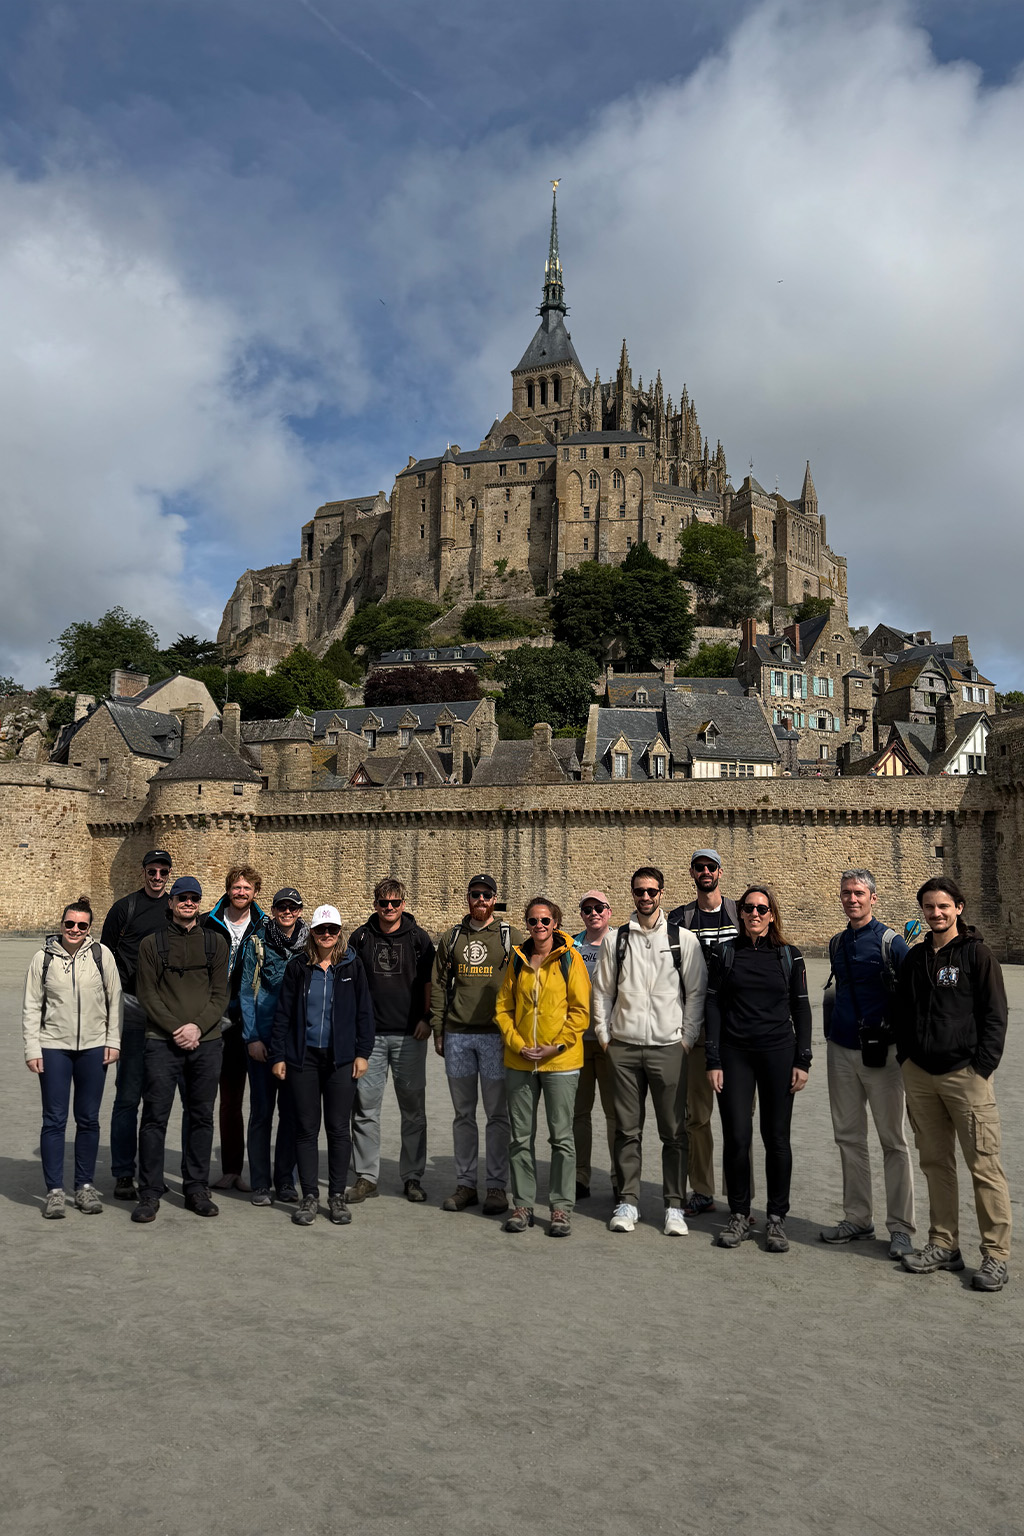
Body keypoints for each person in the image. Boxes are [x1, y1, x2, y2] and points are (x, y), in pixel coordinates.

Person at [895, 877, 1012, 1292]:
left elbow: (996, 1015)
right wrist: (906, 1059)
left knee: (984, 1165)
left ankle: (995, 1255)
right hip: (921, 1075)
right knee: (935, 1163)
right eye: (929, 907)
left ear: (959, 908)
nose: (936, 913)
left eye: (943, 906)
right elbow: (902, 1012)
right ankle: (944, 1244)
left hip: (966, 1075)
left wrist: (982, 1068)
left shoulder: (978, 955)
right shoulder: (915, 958)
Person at [592, 867, 707, 1236]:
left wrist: (686, 1039)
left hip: (668, 1047)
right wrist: (604, 1036)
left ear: (661, 893)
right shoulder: (616, 941)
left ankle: (674, 1205)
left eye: (651, 891)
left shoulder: (682, 940)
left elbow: (696, 993)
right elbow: (602, 992)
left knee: (674, 1131)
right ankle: (628, 1200)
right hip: (624, 1048)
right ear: (632, 894)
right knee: (627, 1130)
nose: (645, 897)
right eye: (639, 891)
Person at [705, 885, 811, 1254]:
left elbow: (801, 1007)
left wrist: (803, 1059)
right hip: (735, 1053)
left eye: (762, 909)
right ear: (740, 913)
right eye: (748, 908)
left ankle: (777, 1218)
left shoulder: (789, 956)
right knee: (737, 1136)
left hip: (778, 1052)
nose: (754, 914)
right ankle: (739, 1213)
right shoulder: (726, 953)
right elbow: (713, 1005)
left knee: (776, 1138)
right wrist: (713, 1059)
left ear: (771, 915)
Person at [819, 869, 915, 1259]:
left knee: (893, 1141)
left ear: (873, 898)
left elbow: (913, 996)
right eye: (846, 893)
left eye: (859, 893)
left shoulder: (892, 943)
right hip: (841, 1050)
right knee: (848, 1137)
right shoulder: (837, 943)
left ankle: (901, 1228)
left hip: (884, 1053)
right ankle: (858, 1218)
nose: (852, 899)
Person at [132, 876, 230, 1222]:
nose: (188, 902)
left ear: (199, 904)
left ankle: (196, 1187)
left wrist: (197, 1027)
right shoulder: (151, 944)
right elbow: (147, 994)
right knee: (154, 1117)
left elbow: (221, 994)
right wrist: (177, 1028)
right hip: (162, 1042)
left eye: (194, 898)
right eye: (182, 897)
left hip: (206, 1042)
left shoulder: (216, 943)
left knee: (200, 1116)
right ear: (171, 903)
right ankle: (150, 1191)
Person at [270, 905, 374, 1227]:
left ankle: (337, 1196)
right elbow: (284, 1014)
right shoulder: (298, 967)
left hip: (340, 1059)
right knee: (306, 1128)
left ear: (339, 932)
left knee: (339, 1128)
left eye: (332, 929)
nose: (326, 935)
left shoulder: (352, 965)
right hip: (304, 1058)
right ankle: (310, 1196)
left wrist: (363, 1053)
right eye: (320, 930)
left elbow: (364, 1012)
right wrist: (278, 1055)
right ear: (312, 932)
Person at [430, 875, 524, 1215]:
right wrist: (438, 1028)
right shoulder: (452, 937)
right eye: (475, 894)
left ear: (494, 899)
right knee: (463, 1115)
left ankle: (496, 1186)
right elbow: (439, 984)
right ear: (467, 898)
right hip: (458, 1036)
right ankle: (466, 1184)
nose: (480, 900)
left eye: (486, 895)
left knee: (497, 1115)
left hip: (496, 1037)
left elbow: (527, 982)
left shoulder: (511, 937)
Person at [23, 897, 122, 1218]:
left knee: (88, 1118)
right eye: (70, 923)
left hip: (94, 1046)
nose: (75, 929)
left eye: (81, 925)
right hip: (53, 1047)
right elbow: (32, 1005)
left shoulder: (101, 955)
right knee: (54, 1120)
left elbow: (115, 999)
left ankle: (84, 1186)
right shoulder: (43, 959)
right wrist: (32, 1048)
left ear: (89, 928)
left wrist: (113, 1041)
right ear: (61, 924)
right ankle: (54, 1191)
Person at [496, 898, 590, 1236]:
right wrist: (516, 1043)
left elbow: (580, 1010)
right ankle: (523, 1204)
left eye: (545, 920)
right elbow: (503, 1007)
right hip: (520, 1061)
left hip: (560, 1061)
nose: (539, 926)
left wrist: (557, 1045)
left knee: (561, 1137)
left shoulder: (570, 959)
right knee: (520, 1137)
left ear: (556, 923)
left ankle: (561, 1207)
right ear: (527, 924)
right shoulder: (518, 960)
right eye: (533, 921)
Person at [347, 878, 435, 1204]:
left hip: (409, 1035)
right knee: (365, 1109)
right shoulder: (360, 937)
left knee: (413, 1110)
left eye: (395, 903)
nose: (389, 908)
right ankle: (366, 1177)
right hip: (369, 1037)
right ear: (375, 904)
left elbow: (430, 982)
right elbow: (351, 984)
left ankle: (412, 1176)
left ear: (403, 904)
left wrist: (427, 1018)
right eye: (383, 903)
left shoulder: (418, 939)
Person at [667, 850, 740, 1219]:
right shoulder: (679, 918)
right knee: (696, 1116)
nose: (706, 872)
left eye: (711, 867)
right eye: (700, 867)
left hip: (737, 1029)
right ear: (692, 872)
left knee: (738, 1120)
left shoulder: (742, 912)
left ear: (720, 872)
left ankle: (740, 1198)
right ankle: (702, 1191)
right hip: (695, 1028)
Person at [100, 849, 173, 1200]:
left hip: (165, 1016)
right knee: (128, 1097)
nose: (157, 877)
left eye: (163, 872)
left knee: (157, 1100)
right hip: (130, 1012)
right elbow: (104, 958)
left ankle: (151, 1173)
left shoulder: (176, 908)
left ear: (169, 875)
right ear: (142, 872)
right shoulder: (123, 909)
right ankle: (123, 1173)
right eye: (152, 871)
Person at [239, 887, 307, 1206]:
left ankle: (285, 1180)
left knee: (291, 1114)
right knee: (262, 1113)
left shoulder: (310, 944)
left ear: (299, 911)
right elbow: (245, 992)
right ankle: (260, 1183)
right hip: (264, 1040)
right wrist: (251, 1037)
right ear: (274, 909)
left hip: (295, 1042)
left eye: (292, 907)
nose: (287, 912)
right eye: (282, 907)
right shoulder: (258, 942)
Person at [205, 867, 267, 1190]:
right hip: (219, 1020)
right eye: (236, 887)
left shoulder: (265, 926)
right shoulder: (209, 922)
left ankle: (261, 1175)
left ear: (255, 892)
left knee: (261, 1102)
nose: (241, 892)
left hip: (253, 1020)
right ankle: (231, 1169)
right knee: (228, 1100)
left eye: (247, 888)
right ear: (228, 889)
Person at [571, 890, 617, 1202]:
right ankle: (580, 1176)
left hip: (611, 1041)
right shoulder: (571, 945)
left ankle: (619, 1178)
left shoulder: (621, 942)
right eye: (587, 909)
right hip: (578, 1040)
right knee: (579, 1113)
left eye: (599, 908)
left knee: (616, 1114)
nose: (593, 913)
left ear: (609, 911)